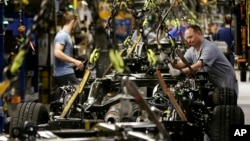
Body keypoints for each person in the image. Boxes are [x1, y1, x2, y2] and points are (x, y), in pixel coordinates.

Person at [168, 25, 238, 95]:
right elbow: (181, 64)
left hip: (227, 85)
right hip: (215, 85)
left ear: (199, 34)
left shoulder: (209, 47)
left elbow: (199, 65)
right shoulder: (192, 50)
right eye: (187, 38)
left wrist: (181, 72)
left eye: (190, 37)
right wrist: (169, 61)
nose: (188, 41)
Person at [53, 11, 84, 87]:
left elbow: (63, 58)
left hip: (64, 73)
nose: (76, 25)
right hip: (65, 74)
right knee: (78, 95)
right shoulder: (63, 35)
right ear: (73, 22)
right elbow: (57, 53)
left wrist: (73, 64)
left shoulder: (66, 35)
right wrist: (74, 61)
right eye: (76, 23)